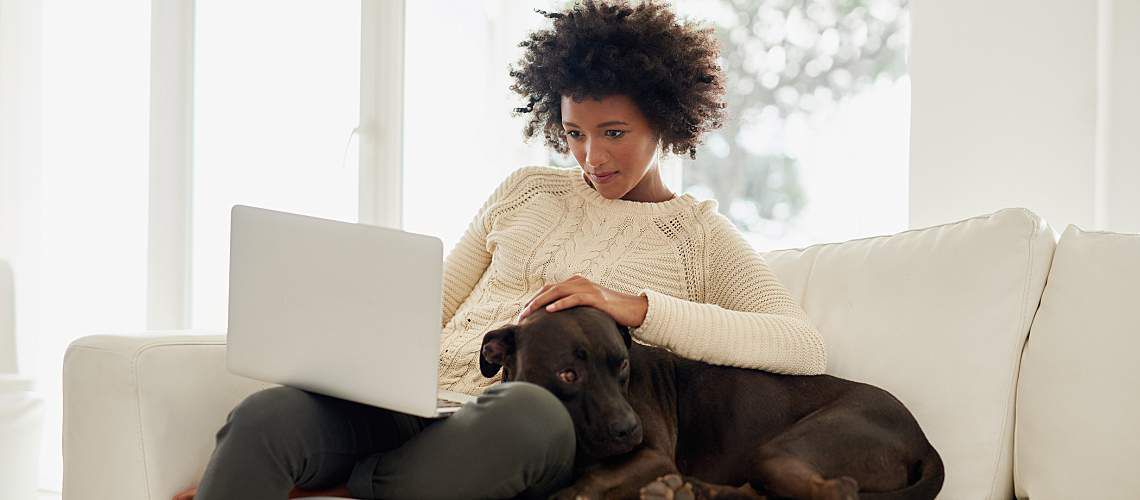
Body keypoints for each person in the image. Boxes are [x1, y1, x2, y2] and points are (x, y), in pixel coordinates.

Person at [177, 1, 826, 498]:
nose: (591, 157)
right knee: (265, 417)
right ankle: (384, 474)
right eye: (574, 132)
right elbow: (433, 304)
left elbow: (800, 344)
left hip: (511, 429)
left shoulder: (696, 235)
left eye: (615, 132)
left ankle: (356, 483)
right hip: (411, 405)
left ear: (667, 119)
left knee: (528, 415)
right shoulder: (523, 191)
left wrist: (635, 307)